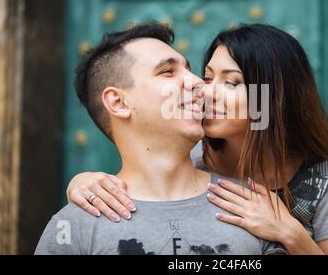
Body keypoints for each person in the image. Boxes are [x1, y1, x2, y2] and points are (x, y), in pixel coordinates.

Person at [66, 24, 328, 254]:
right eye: (208, 78)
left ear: (273, 99)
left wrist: (289, 231)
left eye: (231, 83)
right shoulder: (187, 155)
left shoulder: (327, 175)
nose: (205, 91)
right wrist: (81, 182)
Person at [35, 23, 287, 255]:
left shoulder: (255, 208)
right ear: (119, 102)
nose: (199, 83)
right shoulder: (73, 228)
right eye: (167, 72)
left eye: (189, 70)